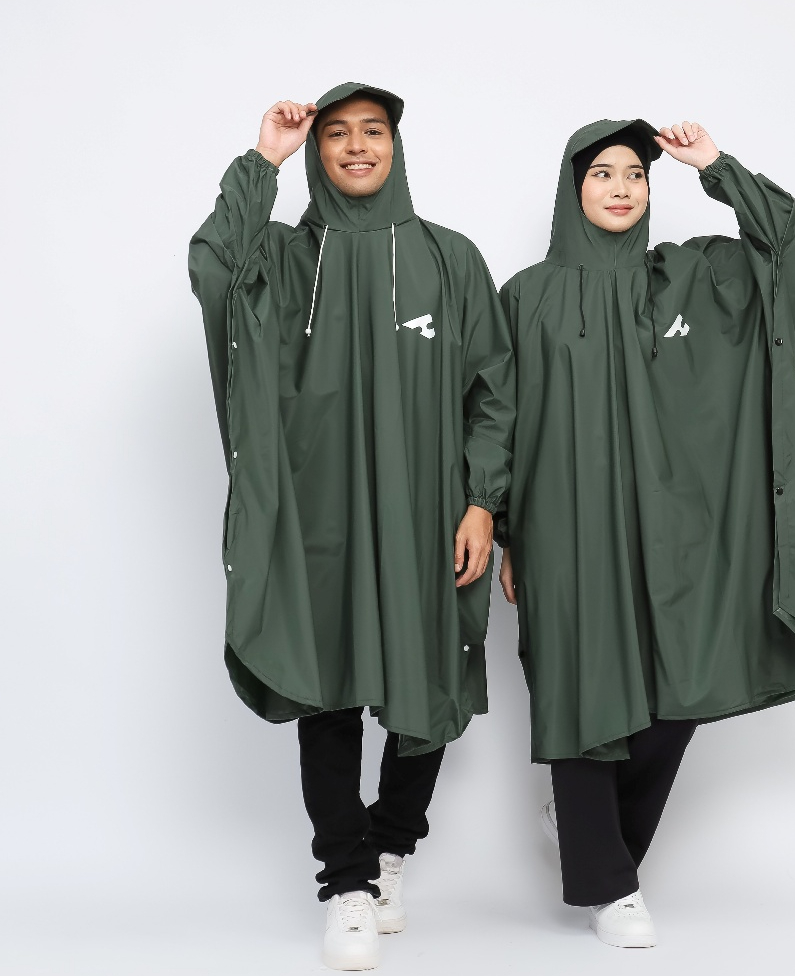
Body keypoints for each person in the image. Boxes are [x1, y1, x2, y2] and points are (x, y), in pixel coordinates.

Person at [495, 118, 795, 948]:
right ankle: (611, 886)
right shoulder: (525, 295)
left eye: (636, 174)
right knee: (584, 686)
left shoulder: (691, 279)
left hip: (673, 527)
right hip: (563, 527)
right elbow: (499, 417)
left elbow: (787, 241)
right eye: (602, 174)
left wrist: (715, 166)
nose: (622, 188)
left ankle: (591, 829)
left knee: (679, 686)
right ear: (572, 189)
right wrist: (506, 528)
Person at [189, 83, 514, 971]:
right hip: (319, 514)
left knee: (427, 685)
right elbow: (214, 266)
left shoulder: (451, 258)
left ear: (397, 147)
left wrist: (482, 502)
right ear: (318, 151)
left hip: (428, 514)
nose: (358, 146)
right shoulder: (284, 258)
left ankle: (391, 846)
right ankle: (346, 884)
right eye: (337, 134)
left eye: (374, 131)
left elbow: (495, 391)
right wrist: (264, 160)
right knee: (326, 687)